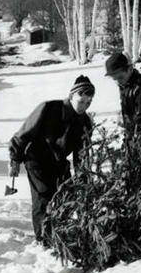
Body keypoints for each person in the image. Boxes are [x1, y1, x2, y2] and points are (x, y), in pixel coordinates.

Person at [8, 75, 94, 240]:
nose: (84, 106)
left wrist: (83, 177)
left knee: (67, 195)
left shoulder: (84, 122)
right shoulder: (49, 108)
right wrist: (14, 159)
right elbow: (24, 134)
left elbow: (81, 154)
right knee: (44, 196)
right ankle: (44, 239)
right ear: (71, 96)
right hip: (36, 158)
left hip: (59, 162)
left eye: (88, 103)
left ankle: (60, 234)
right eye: (81, 101)